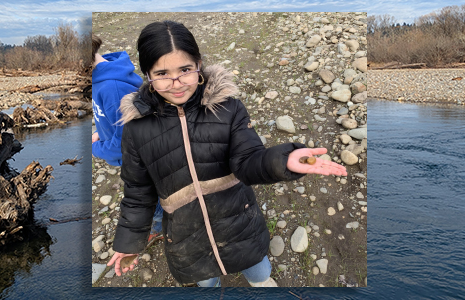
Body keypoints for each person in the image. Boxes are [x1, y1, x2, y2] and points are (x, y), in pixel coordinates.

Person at [106, 20, 347, 287]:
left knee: (259, 271)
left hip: (240, 226)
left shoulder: (227, 109)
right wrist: (129, 242)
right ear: (148, 75)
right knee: (207, 283)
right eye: (162, 73)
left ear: (198, 65)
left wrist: (281, 160)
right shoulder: (137, 129)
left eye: (185, 69)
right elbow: (138, 193)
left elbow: (248, 161)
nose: (176, 83)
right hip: (188, 240)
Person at [90, 36, 164, 243]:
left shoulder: (112, 88)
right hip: (132, 156)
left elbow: (125, 141)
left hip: (139, 160)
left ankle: (161, 224)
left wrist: (96, 148)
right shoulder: (101, 79)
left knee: (151, 199)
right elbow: (114, 121)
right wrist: (101, 134)